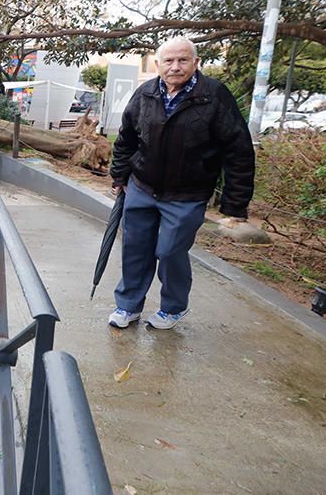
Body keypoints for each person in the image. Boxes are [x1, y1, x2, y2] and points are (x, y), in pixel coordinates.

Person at [108, 36, 254, 330]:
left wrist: (234, 204)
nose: (175, 67)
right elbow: (126, 139)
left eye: (183, 60)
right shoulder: (145, 93)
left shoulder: (214, 95)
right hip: (142, 187)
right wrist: (119, 176)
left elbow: (238, 151)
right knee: (135, 248)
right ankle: (128, 305)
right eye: (169, 61)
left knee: (169, 251)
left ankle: (173, 307)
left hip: (187, 194)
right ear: (158, 64)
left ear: (196, 62)